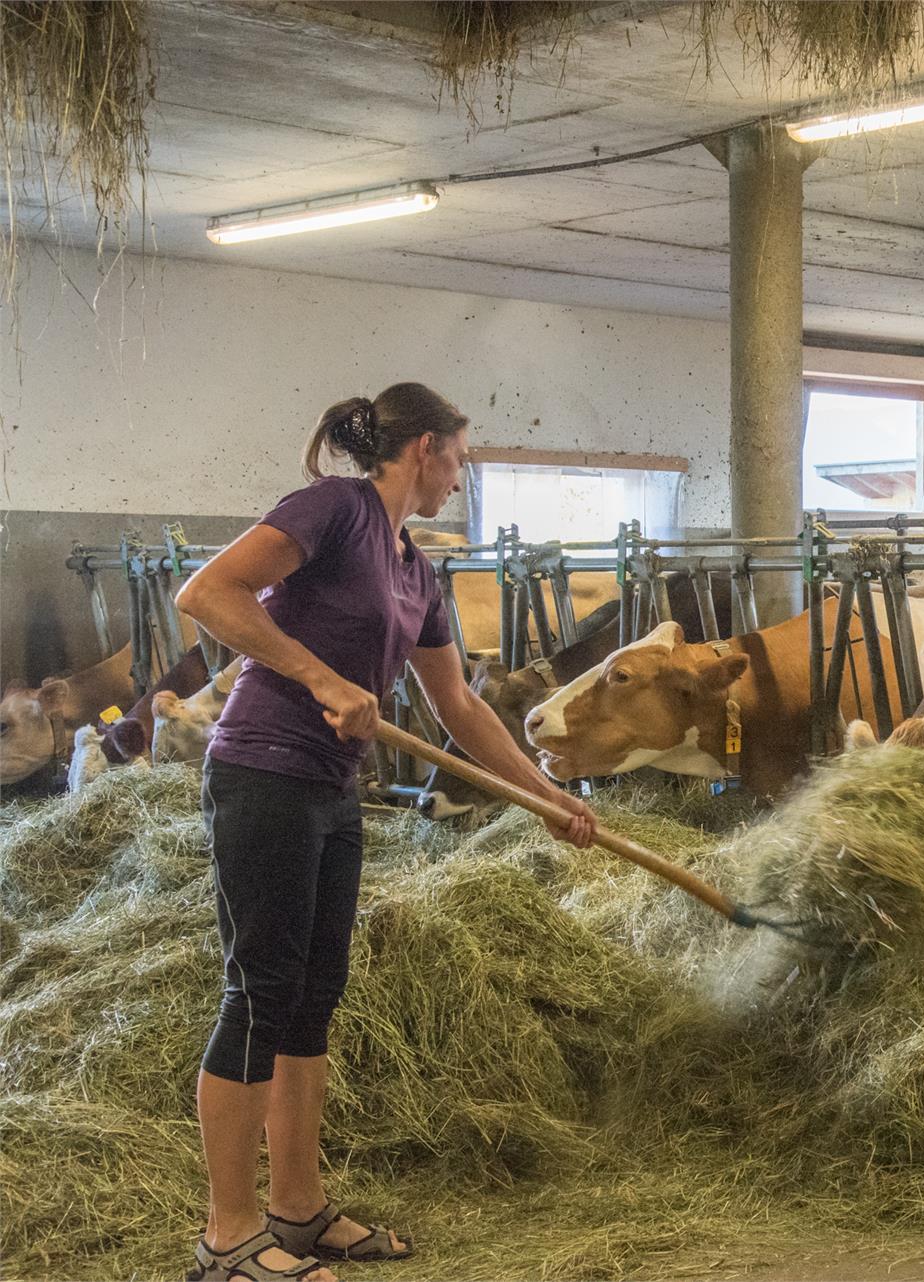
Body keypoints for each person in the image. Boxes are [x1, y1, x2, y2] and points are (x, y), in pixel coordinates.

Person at [175, 383, 597, 1281]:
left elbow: (460, 708)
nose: (462, 472)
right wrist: (320, 677)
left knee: (311, 995)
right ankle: (227, 1235)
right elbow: (208, 593)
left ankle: (294, 1207)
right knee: (258, 992)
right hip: (263, 770)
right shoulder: (333, 509)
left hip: (332, 790)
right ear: (424, 450)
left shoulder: (415, 569)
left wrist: (546, 795)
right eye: (460, 454)